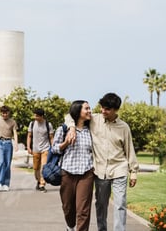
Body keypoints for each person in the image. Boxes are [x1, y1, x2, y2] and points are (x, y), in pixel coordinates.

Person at [66, 93, 139, 231]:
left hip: (119, 169)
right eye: (102, 108)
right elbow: (70, 115)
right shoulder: (94, 119)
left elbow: (130, 150)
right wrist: (71, 127)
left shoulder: (124, 127)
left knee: (120, 204)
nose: (103, 111)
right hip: (100, 171)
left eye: (107, 109)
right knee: (101, 205)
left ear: (115, 110)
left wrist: (133, 171)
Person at [53, 100, 94, 231]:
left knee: (83, 210)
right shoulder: (63, 129)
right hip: (67, 173)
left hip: (86, 173)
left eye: (89, 108)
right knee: (68, 207)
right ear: (78, 111)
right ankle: (70, 226)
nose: (90, 111)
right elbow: (54, 149)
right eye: (86, 109)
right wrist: (65, 143)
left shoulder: (91, 130)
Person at [26, 108, 54, 192]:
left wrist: (53, 148)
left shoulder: (48, 125)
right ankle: (38, 181)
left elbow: (51, 137)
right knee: (36, 168)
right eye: (34, 115)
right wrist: (28, 147)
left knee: (43, 167)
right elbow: (29, 136)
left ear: (42, 116)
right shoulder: (32, 124)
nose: (35, 117)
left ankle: (42, 184)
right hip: (35, 149)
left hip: (45, 148)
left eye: (37, 116)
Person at [0, 105, 19, 192]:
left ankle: (6, 184)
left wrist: (16, 144)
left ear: (9, 113)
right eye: (3, 113)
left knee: (7, 164)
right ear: (0, 113)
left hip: (8, 143)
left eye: (6, 113)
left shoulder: (13, 122)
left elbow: (15, 133)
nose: (4, 115)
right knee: (0, 162)